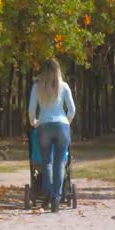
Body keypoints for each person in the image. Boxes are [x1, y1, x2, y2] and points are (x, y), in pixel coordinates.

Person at [28, 58, 76, 213]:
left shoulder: (37, 87)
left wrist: (33, 121)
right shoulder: (64, 87)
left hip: (44, 126)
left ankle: (47, 196)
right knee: (60, 163)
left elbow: (31, 110)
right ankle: (57, 197)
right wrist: (66, 122)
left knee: (47, 162)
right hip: (62, 126)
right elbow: (72, 110)